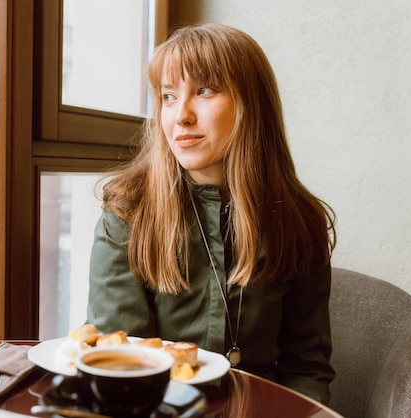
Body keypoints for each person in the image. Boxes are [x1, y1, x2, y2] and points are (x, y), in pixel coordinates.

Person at [86, 23, 337, 405]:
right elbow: (123, 365)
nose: (180, 116)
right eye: (168, 97)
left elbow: (306, 370)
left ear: (252, 104)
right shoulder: (127, 213)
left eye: (204, 90)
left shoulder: (300, 221)